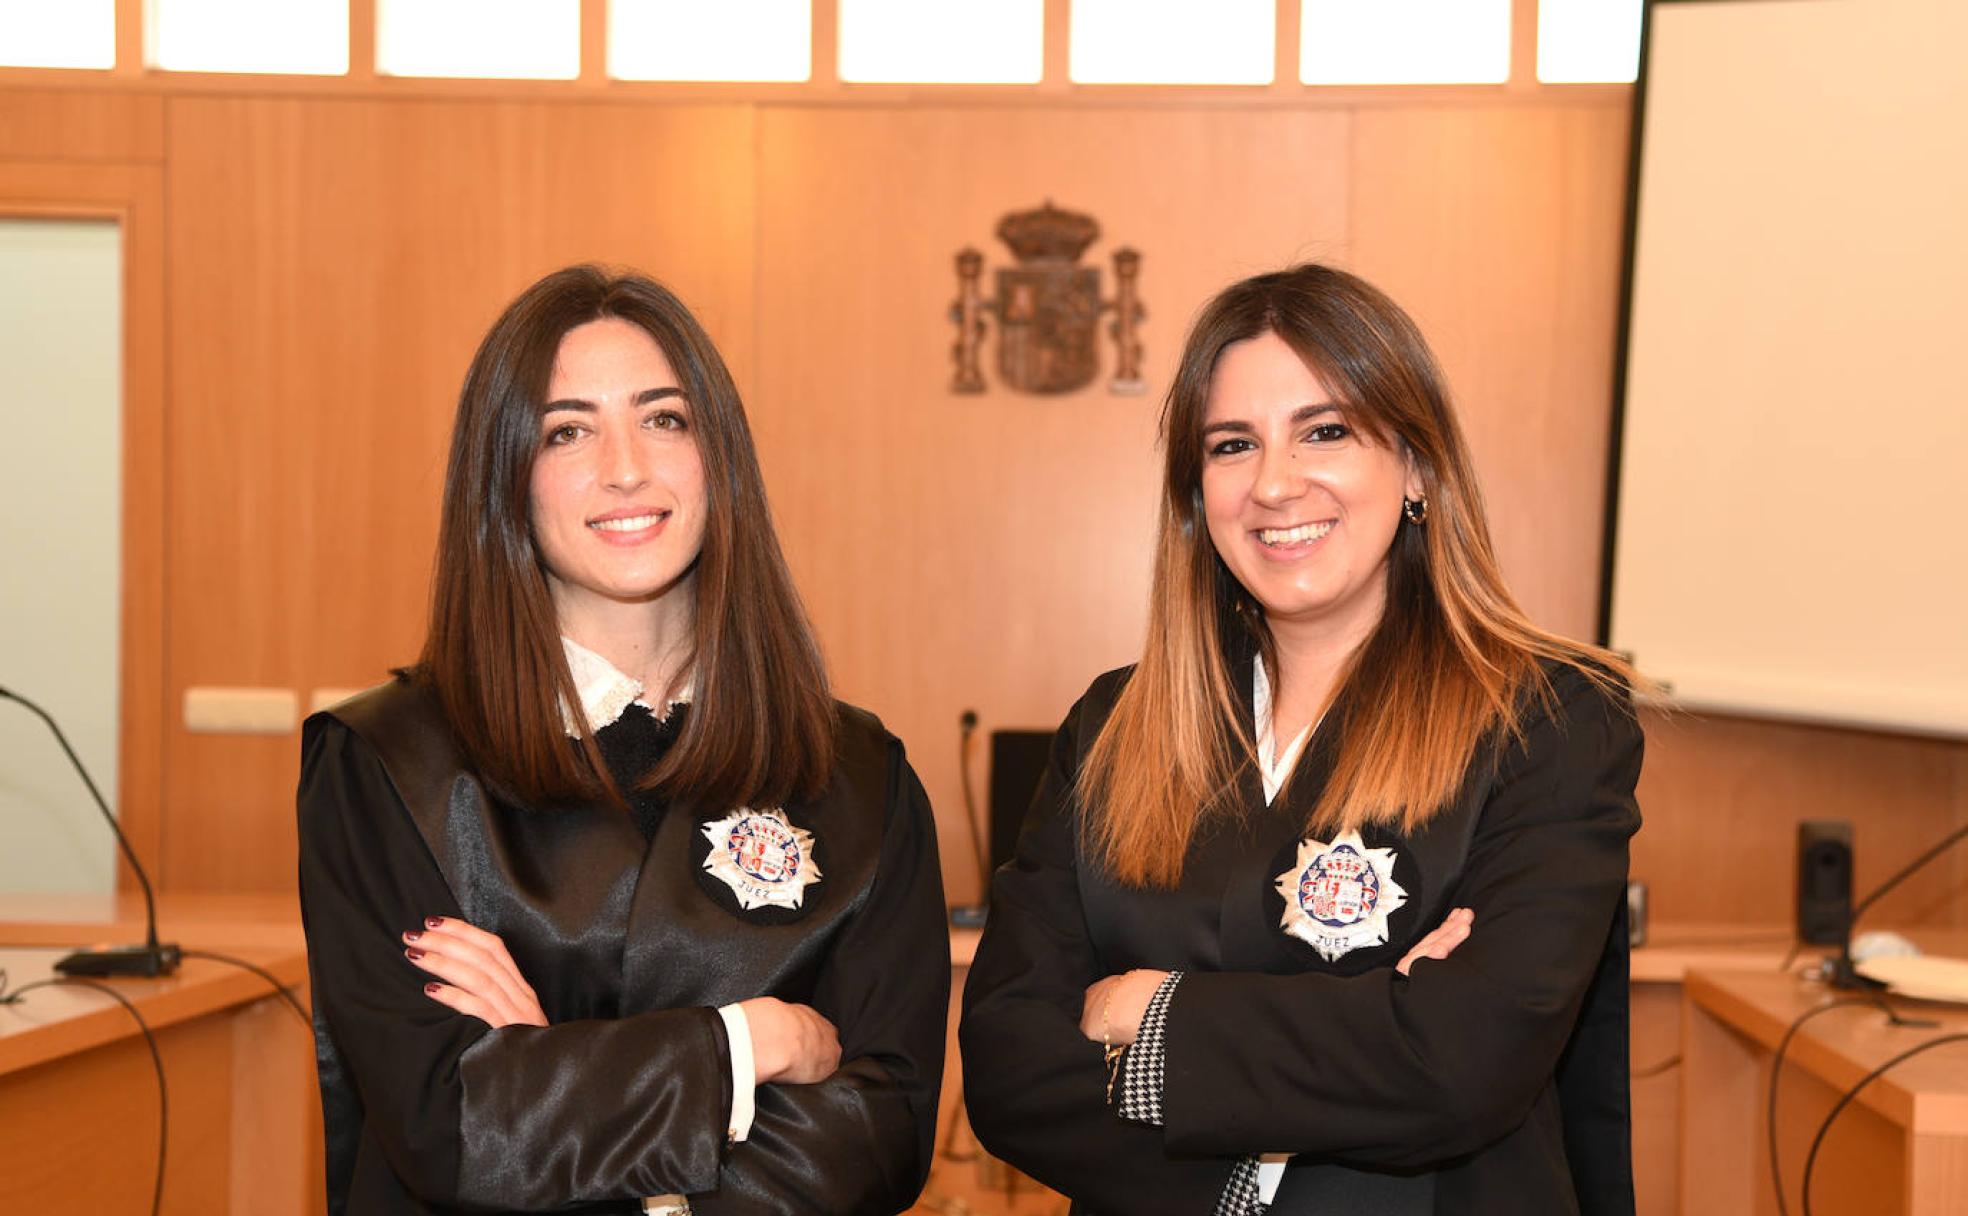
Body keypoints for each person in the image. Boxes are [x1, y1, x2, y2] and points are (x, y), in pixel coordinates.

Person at [959, 264, 1642, 1215]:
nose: (1275, 483)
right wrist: (1355, 1047)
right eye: (1234, 445)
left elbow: (1463, 1063)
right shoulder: (1111, 728)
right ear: (1197, 498)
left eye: (1324, 431)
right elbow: (1007, 1066)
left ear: (1416, 466)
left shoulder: (1549, 721)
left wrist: (1149, 1015)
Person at [297, 266, 949, 1215]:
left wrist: (547, 1066)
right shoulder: (387, 764)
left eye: (664, 419)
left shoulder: (857, 774)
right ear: (506, 477)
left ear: (717, 456)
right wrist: (743, 1047)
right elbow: (452, 1134)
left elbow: (882, 1136)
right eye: (568, 430)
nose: (626, 467)